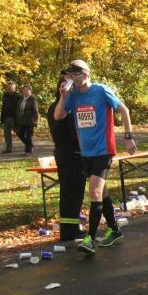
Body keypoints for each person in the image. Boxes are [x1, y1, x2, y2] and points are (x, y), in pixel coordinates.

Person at [54, 60, 137, 254]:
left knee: (94, 191)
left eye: (74, 74)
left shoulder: (101, 91)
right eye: (68, 75)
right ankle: (115, 231)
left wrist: (128, 137)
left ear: (85, 74)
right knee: (102, 192)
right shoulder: (72, 96)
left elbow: (124, 110)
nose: (71, 78)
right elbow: (58, 116)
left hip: (103, 149)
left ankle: (90, 239)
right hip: (86, 152)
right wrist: (63, 96)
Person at [47, 76, 86, 240]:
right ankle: (70, 230)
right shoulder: (68, 109)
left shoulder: (53, 107)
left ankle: (68, 228)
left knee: (67, 192)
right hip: (72, 154)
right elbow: (74, 133)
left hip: (61, 152)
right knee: (74, 192)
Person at [14, 84, 39, 155]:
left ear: (30, 91)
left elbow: (35, 111)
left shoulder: (33, 99)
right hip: (21, 120)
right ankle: (30, 145)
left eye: (27, 90)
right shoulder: (21, 98)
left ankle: (28, 151)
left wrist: (35, 120)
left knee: (29, 136)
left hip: (29, 120)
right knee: (19, 133)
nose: (25, 91)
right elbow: (18, 109)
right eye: (24, 90)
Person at [0, 80, 21, 154]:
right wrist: (2, 118)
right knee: (7, 134)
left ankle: (28, 146)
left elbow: (20, 108)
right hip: (6, 117)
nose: (9, 89)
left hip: (14, 118)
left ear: (14, 88)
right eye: (8, 87)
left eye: (10, 87)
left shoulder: (18, 96)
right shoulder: (5, 95)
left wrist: (19, 118)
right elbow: (3, 106)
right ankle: (8, 148)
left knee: (19, 133)